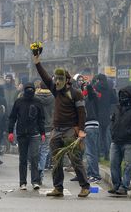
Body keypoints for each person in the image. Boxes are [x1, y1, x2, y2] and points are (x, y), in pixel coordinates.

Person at [33, 55, 90, 198]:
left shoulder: (76, 94)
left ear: (67, 80)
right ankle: (58, 187)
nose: (57, 82)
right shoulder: (55, 90)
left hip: (70, 130)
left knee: (75, 159)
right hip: (56, 130)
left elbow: (82, 113)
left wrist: (81, 130)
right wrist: (37, 62)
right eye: (56, 79)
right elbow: (45, 77)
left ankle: (85, 186)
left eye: (60, 79)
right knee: (56, 160)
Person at [8, 82, 45, 191]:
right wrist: (10, 131)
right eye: (28, 89)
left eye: (31, 89)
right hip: (22, 134)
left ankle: (35, 181)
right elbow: (12, 117)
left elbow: (41, 119)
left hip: (34, 133)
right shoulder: (19, 102)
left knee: (34, 158)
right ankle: (22, 182)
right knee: (23, 159)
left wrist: (42, 132)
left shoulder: (38, 102)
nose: (30, 91)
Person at [109, 86, 131, 195]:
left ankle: (124, 186)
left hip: (129, 141)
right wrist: (113, 130)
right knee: (113, 164)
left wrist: (130, 131)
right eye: (121, 95)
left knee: (128, 165)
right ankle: (116, 185)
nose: (122, 98)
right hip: (116, 141)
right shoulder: (117, 107)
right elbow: (113, 119)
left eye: (125, 95)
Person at [81, 81, 102, 183]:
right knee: (90, 152)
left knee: (90, 153)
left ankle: (95, 175)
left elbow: (90, 92)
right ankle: (91, 174)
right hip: (91, 126)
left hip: (91, 125)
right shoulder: (86, 99)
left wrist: (88, 86)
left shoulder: (92, 98)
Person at [35, 81, 54, 184]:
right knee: (44, 152)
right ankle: (40, 174)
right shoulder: (53, 97)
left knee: (36, 151)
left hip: (37, 128)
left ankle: (36, 173)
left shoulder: (35, 97)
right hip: (48, 128)